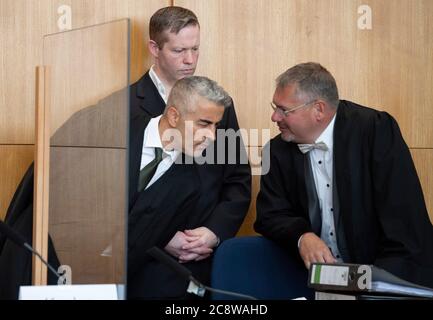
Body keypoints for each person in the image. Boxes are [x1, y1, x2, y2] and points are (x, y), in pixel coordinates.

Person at [254, 62, 433, 289]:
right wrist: (302, 236)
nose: (274, 117)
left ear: (318, 110)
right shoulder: (276, 151)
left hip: (386, 278)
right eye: (274, 107)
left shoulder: (375, 132)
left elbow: (404, 225)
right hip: (314, 283)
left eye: (284, 110)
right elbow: (270, 214)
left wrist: (371, 287)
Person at [130, 6, 251, 298]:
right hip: (143, 263)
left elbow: (237, 178)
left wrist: (213, 232)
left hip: (200, 263)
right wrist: (158, 235)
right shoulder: (125, 107)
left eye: (195, 49)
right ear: (154, 48)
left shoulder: (219, 105)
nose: (190, 60)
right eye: (179, 50)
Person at [128, 76, 230, 299]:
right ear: (174, 116)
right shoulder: (115, 131)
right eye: (204, 123)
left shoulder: (190, 183)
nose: (212, 136)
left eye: (216, 125)